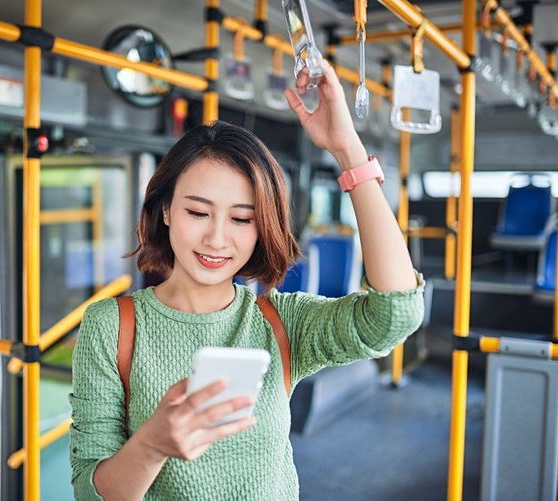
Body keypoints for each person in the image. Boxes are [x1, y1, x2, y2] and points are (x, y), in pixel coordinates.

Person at [69, 61, 425, 500]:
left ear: (262, 228)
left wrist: (349, 151)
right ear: (164, 210)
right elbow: (92, 494)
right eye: (197, 212)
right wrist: (151, 445)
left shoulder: (280, 322)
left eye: (242, 218)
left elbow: (395, 314)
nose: (217, 238)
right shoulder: (112, 327)